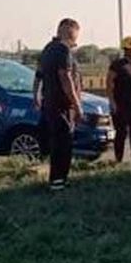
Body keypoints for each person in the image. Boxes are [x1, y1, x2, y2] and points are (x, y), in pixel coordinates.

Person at [35, 18, 82, 191]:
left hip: (50, 103)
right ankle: (58, 180)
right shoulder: (63, 50)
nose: (75, 40)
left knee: (57, 141)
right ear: (70, 32)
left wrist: (36, 96)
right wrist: (77, 105)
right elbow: (66, 78)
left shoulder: (47, 49)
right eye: (75, 36)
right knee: (64, 143)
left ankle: (57, 178)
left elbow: (38, 75)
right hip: (62, 105)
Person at [106, 35, 131, 165]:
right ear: (128, 49)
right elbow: (109, 83)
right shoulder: (117, 65)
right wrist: (112, 102)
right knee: (121, 133)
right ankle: (118, 159)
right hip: (121, 104)